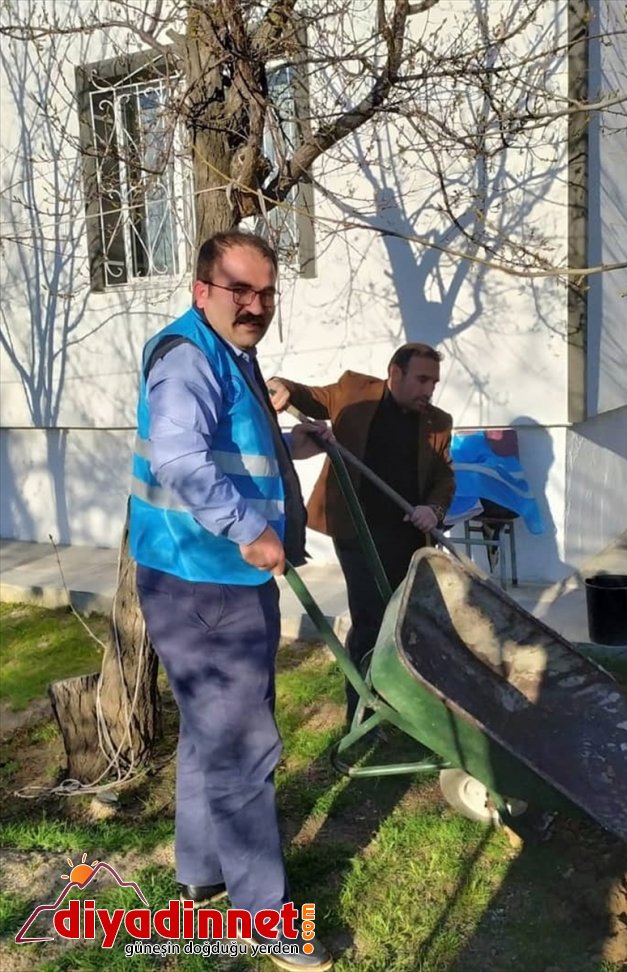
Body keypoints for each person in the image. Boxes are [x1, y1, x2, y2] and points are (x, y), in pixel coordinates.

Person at [129, 231, 333, 971]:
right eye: (240, 290)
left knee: (208, 733)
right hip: (206, 580)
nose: (255, 305)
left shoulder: (228, 353)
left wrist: (299, 444)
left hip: (199, 575)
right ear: (202, 290)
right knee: (245, 746)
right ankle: (263, 917)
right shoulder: (187, 358)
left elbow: (230, 446)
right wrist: (251, 530)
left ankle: (202, 875)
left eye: (266, 292)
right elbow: (183, 459)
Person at [267, 344, 454, 724]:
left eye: (433, 381)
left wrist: (431, 510)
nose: (428, 389)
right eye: (421, 379)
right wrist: (280, 384)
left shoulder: (437, 421)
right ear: (395, 373)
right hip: (356, 530)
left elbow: (443, 477)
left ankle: (408, 704)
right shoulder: (354, 390)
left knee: (409, 621)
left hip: (408, 535)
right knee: (371, 621)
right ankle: (363, 711)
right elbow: (309, 396)